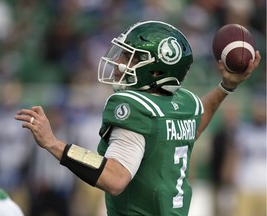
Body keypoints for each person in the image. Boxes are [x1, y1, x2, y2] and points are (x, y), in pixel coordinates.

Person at [14, 20, 261, 216]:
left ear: (155, 70)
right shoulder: (185, 103)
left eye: (129, 57)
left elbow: (115, 179)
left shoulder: (133, 105)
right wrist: (226, 87)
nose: (119, 62)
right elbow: (191, 126)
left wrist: (53, 144)